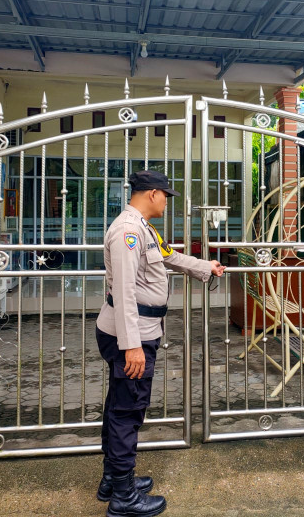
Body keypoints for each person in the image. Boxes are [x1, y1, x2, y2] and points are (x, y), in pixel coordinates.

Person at [96, 170, 225, 517]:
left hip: (139, 329)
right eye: (166, 195)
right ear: (152, 194)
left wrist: (204, 266)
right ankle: (123, 497)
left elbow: (168, 256)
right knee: (127, 411)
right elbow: (123, 292)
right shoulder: (127, 232)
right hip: (131, 333)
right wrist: (132, 346)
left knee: (120, 405)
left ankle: (114, 479)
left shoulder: (143, 228)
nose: (167, 201)